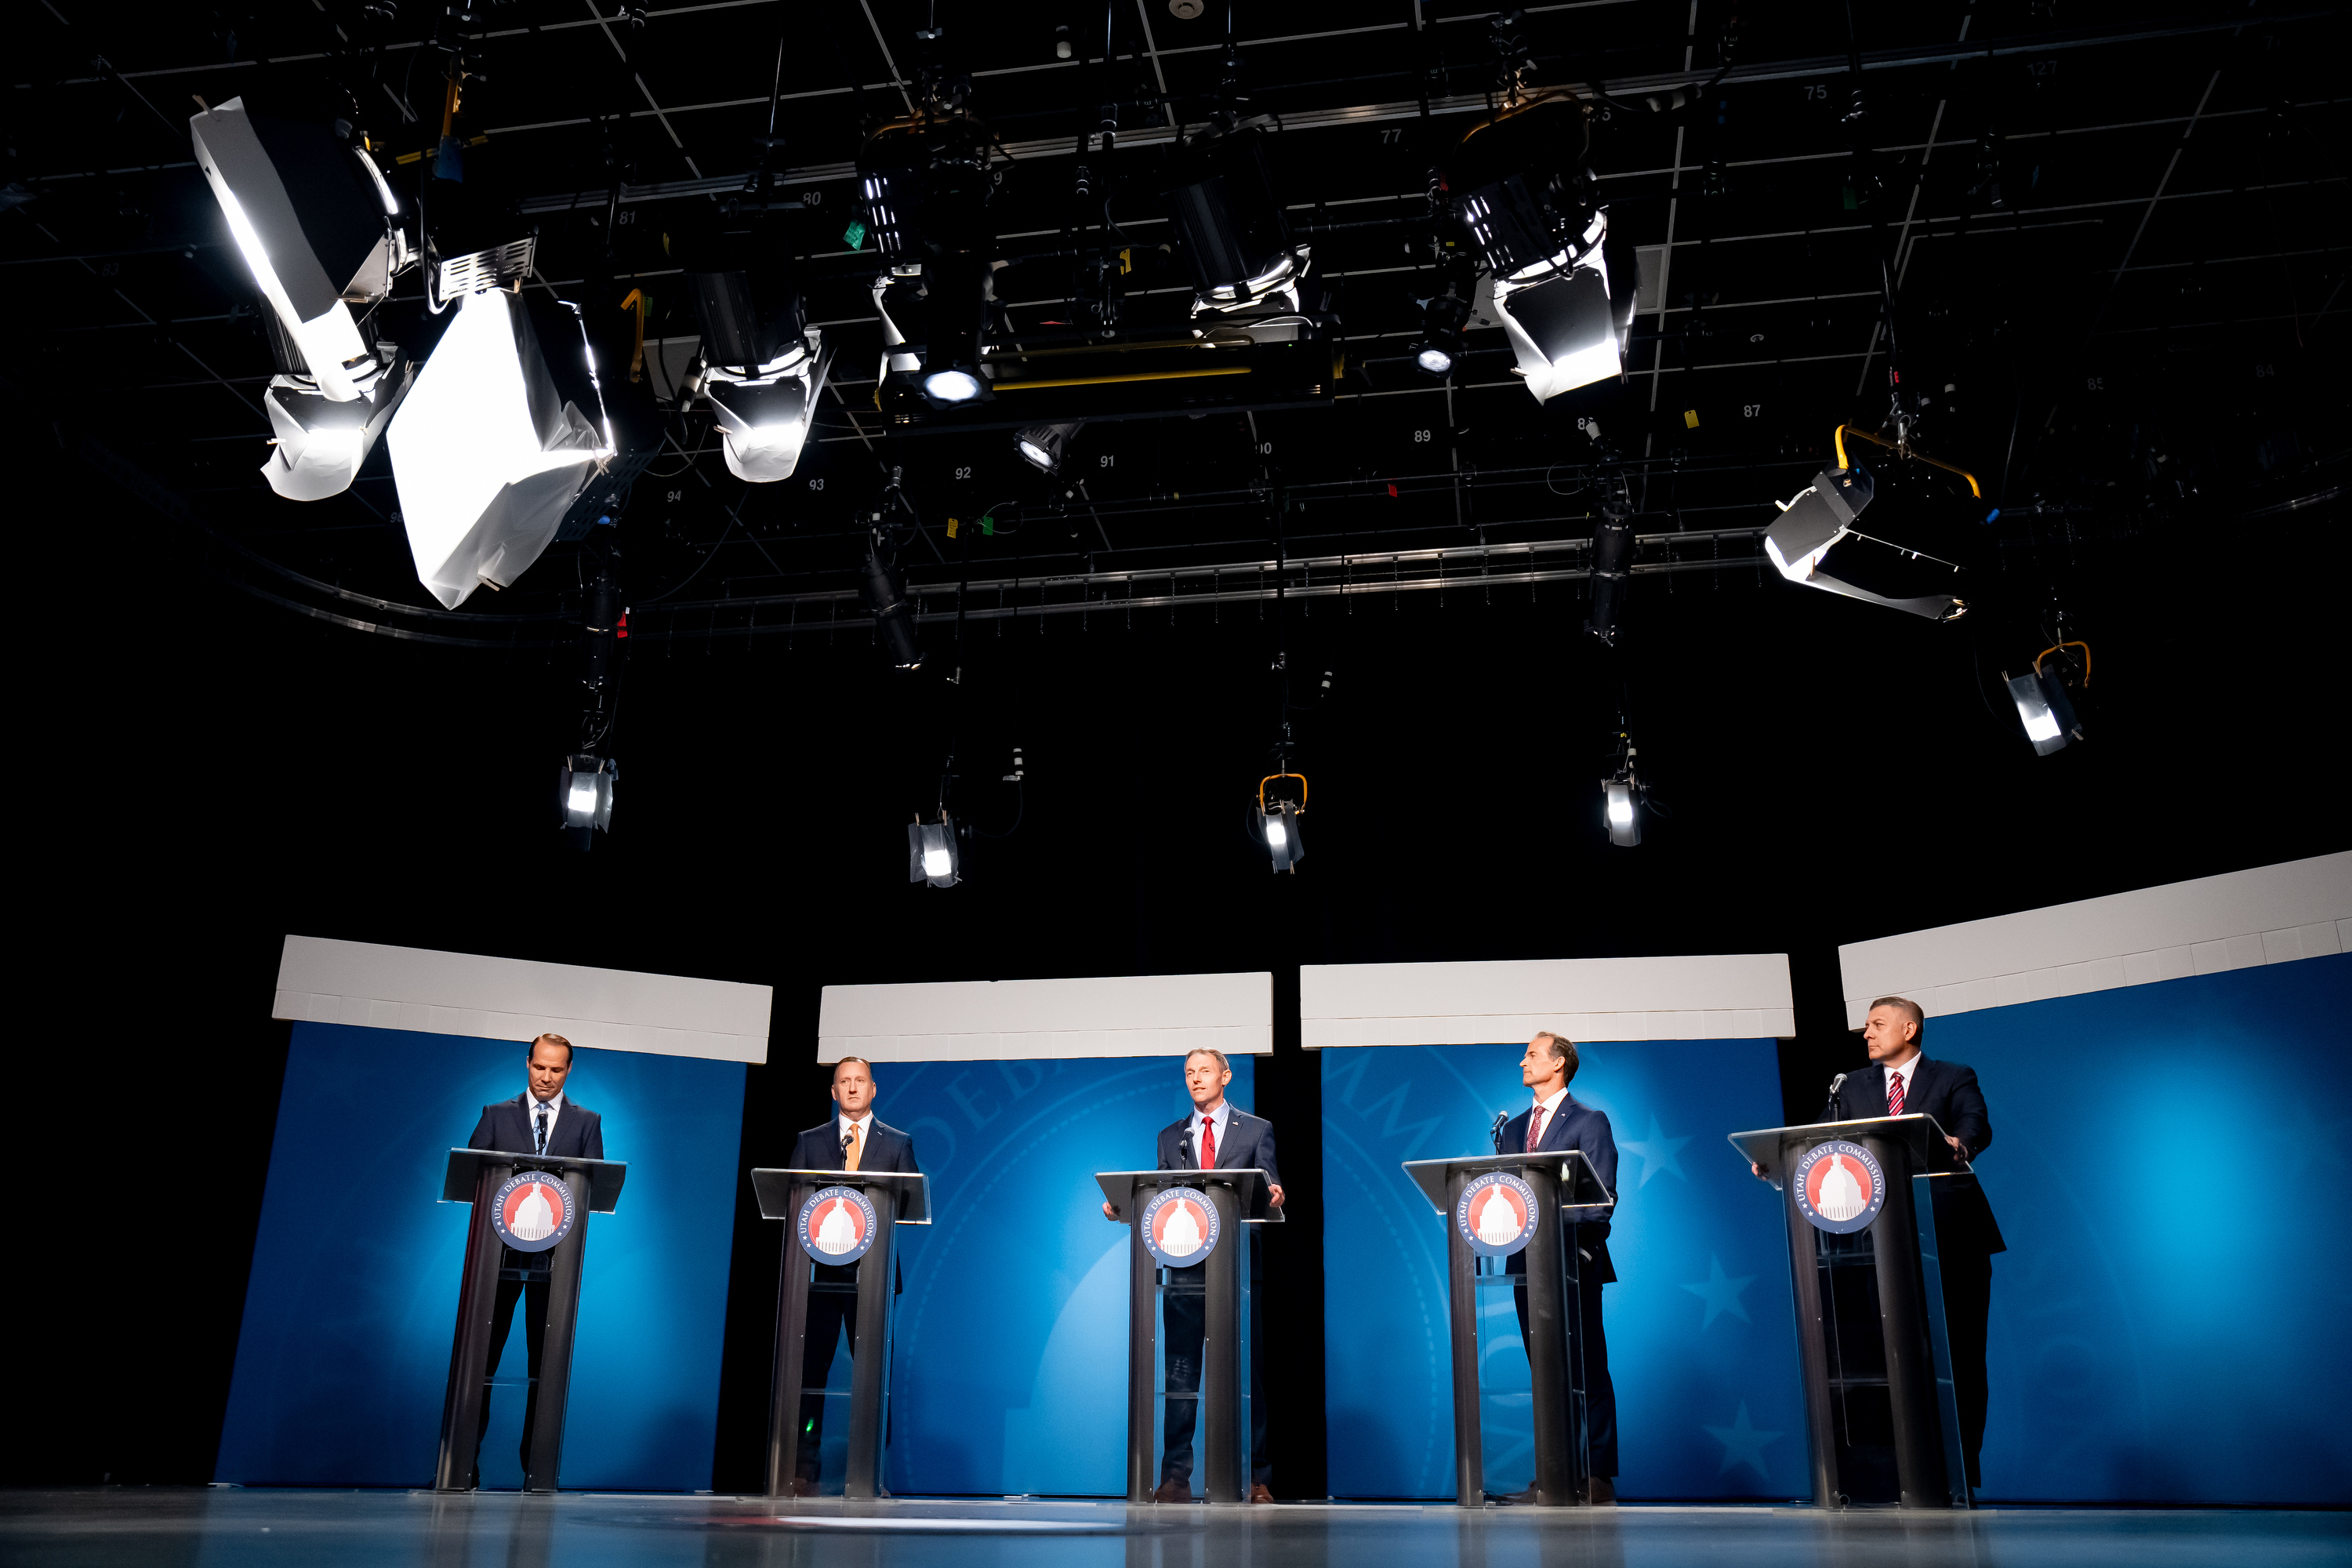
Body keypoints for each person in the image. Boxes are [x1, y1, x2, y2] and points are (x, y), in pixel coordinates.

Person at [1832, 996, 2005, 1490]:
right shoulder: (1850, 1086)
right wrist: (1783, 1160)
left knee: (1961, 1354)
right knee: (1886, 1356)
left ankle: (1959, 1472)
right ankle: (1896, 1471)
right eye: (1865, 1026)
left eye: (1877, 1025)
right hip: (1876, 1242)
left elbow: (1977, 1125)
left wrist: (1959, 1143)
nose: (1866, 1034)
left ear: (1909, 1029)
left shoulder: (1953, 1076)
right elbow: (1826, 1139)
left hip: (1952, 1235)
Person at [1102, 1049, 1286, 1504]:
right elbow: (1162, 1197)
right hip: (1183, 1270)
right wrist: (1125, 1208)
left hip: (1239, 1271)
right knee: (1180, 1375)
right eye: (1188, 1073)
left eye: (1204, 1071)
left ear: (1225, 1075)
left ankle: (1256, 1477)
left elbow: (1270, 1183)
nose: (1195, 1079)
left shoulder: (1257, 1130)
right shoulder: (1170, 1136)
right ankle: (1176, 1478)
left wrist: (1275, 1192)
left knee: (1250, 1377)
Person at [463, 1033, 604, 1486]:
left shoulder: (586, 1123)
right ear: (527, 1064)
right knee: (479, 1364)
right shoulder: (496, 1115)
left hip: (554, 1265)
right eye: (540, 1067)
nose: (546, 1077)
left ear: (568, 1071)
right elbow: (471, 1179)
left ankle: (537, 1472)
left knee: (544, 1369)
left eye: (556, 1069)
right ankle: (462, 1466)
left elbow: (594, 1191)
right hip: (496, 1260)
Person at [785, 1056, 920, 1497]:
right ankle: (804, 1469)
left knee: (872, 1375)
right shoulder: (810, 1141)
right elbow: (793, 1202)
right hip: (821, 1276)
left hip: (874, 1277)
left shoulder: (898, 1144)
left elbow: (908, 1204)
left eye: (860, 1081)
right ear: (834, 1092)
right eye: (844, 1082)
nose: (853, 1088)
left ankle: (868, 1472)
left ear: (874, 1089)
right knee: (810, 1375)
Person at [1497, 1031, 1619, 1505]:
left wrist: (1552, 1222)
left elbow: (1601, 1200)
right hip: (1526, 1265)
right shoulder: (1511, 1129)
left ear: (1560, 1063)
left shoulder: (1590, 1122)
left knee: (1587, 1369)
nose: (1522, 1061)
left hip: (1574, 1262)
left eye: (1531, 1054)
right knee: (1544, 1371)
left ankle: (1598, 1476)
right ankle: (1555, 1473)